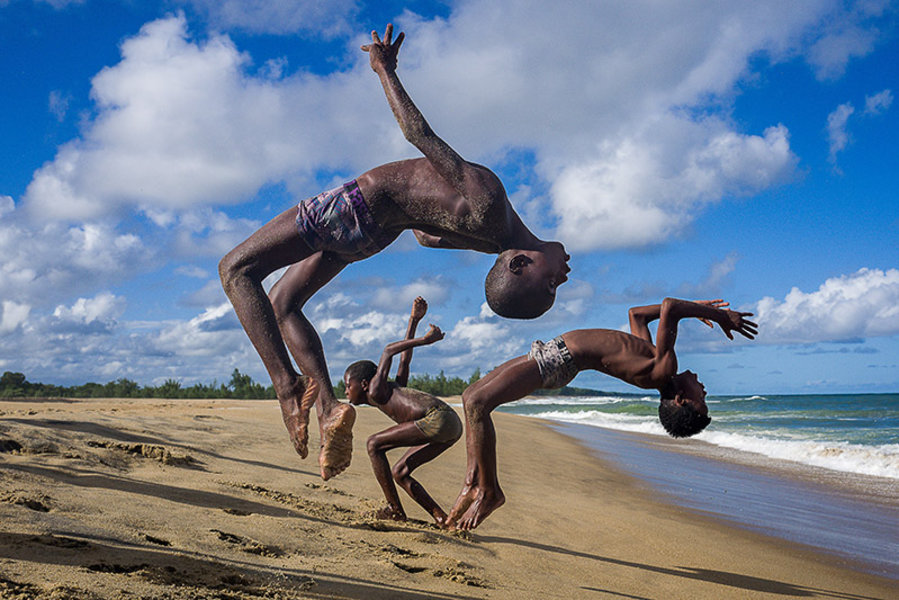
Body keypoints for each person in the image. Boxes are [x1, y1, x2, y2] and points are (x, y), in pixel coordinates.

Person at [218, 24, 569, 480]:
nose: (564, 274)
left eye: (552, 282)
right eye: (557, 283)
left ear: (519, 264)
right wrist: (417, 209)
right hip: (373, 238)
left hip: (358, 207)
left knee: (236, 269)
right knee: (283, 304)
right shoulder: (489, 241)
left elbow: (417, 134)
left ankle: (288, 390)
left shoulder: (488, 202)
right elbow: (426, 237)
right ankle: (326, 408)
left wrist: (384, 69)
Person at [446, 297, 758, 530]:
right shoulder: (651, 361)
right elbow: (637, 314)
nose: (703, 389)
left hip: (561, 360)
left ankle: (489, 490)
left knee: (476, 403)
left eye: (701, 399)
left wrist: (718, 316)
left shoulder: (664, 367)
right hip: (553, 352)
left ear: (680, 400)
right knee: (471, 397)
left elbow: (670, 307)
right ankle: (473, 482)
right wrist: (697, 308)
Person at [343, 296, 463, 526]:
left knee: (373, 444)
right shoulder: (393, 390)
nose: (347, 391)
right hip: (452, 426)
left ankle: (394, 509)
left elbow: (389, 351)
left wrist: (425, 340)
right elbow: (404, 361)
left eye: (349, 385)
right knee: (400, 471)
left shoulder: (376, 391)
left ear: (365, 384)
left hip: (435, 418)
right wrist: (413, 320)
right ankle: (441, 518)